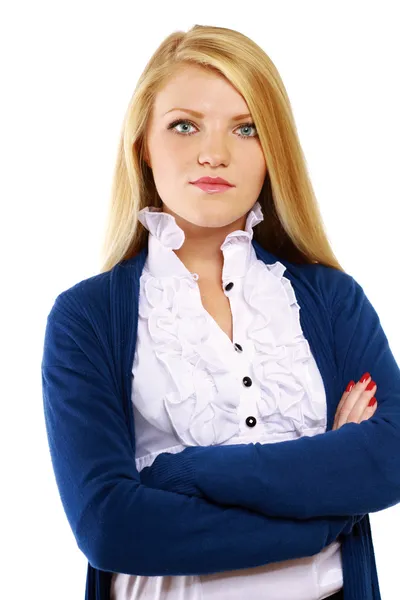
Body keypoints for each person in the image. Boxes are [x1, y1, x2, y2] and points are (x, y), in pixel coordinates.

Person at [41, 24, 400, 600]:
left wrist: (180, 473)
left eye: (246, 128)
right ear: (143, 146)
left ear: (271, 151)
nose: (214, 152)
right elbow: (111, 526)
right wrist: (328, 508)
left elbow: (390, 458)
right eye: (184, 125)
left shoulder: (332, 299)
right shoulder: (86, 319)